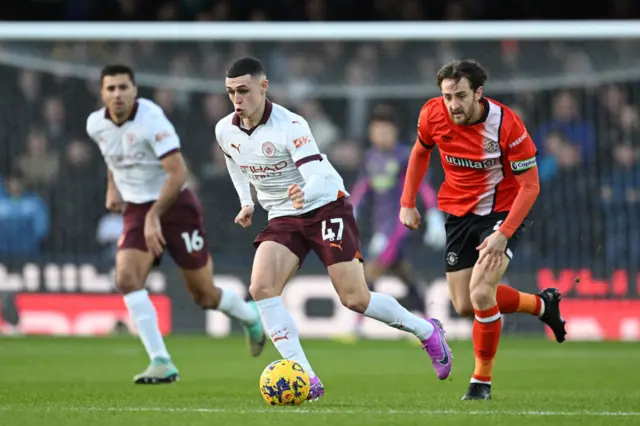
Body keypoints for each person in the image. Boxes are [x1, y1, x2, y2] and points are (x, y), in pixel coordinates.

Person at [216, 57, 453, 402]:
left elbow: (315, 174)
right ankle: (307, 378)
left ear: (263, 88)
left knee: (355, 298)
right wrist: (246, 202)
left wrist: (304, 191)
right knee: (261, 287)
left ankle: (427, 331)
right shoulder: (225, 128)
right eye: (230, 92)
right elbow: (233, 160)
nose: (237, 100)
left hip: (324, 204)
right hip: (283, 214)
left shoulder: (291, 124)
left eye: (243, 90)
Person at [86, 64, 266, 385]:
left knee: (204, 295)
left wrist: (154, 215)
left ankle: (249, 316)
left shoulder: (151, 120)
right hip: (137, 210)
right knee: (127, 278)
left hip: (176, 206)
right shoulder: (96, 125)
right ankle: (161, 361)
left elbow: (178, 172)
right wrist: (112, 188)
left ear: (134, 90)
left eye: (123, 87)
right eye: (110, 88)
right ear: (102, 93)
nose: (117, 94)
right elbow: (112, 155)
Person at [400, 59, 567, 401]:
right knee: (464, 305)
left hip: (502, 212)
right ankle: (541, 305)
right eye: (447, 96)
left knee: (480, 294)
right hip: (459, 214)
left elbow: (531, 186)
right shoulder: (432, 114)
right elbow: (420, 153)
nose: (453, 105)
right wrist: (408, 201)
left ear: (479, 93)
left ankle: (481, 383)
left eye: (460, 96)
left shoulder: (507, 125)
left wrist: (504, 232)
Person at [348, 111, 446, 337]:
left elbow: (423, 186)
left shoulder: (405, 156)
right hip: (381, 227)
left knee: (370, 270)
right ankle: (428, 321)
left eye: (385, 130)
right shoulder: (370, 157)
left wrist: (434, 216)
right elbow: (362, 187)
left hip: (399, 227)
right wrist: (351, 209)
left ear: (394, 132)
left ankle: (357, 326)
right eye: (376, 130)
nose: (381, 135)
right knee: (404, 274)